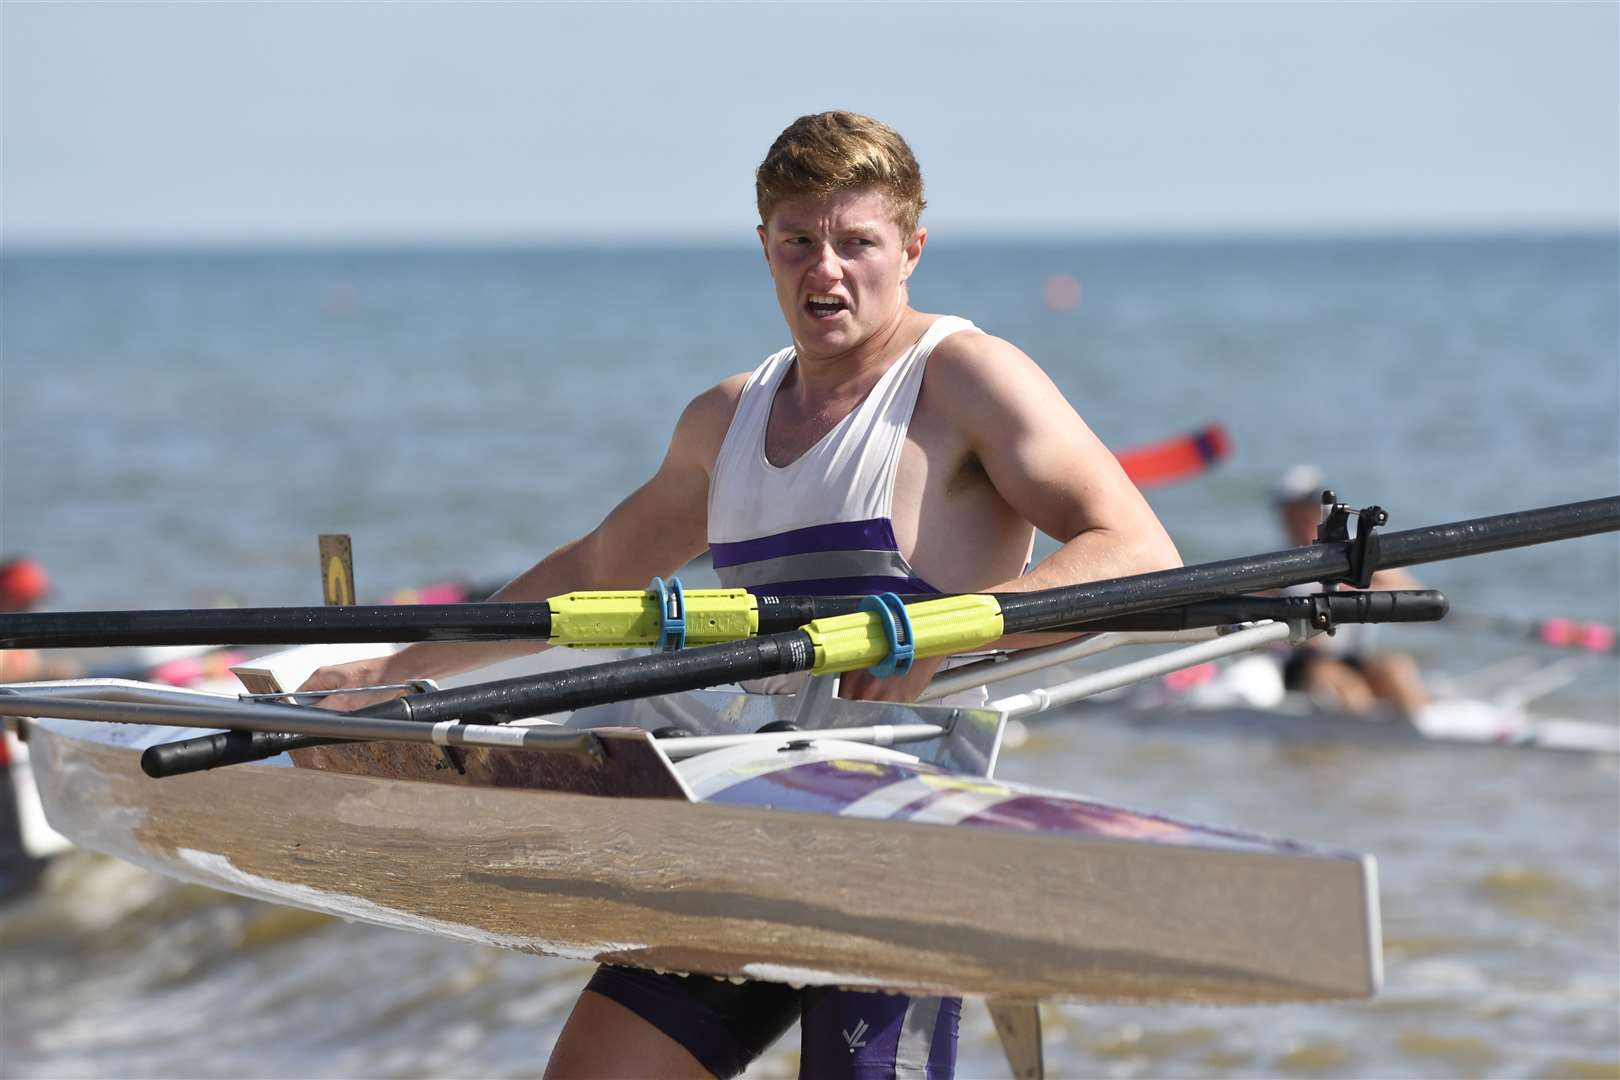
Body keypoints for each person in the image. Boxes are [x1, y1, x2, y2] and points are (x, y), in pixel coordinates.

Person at [300, 111, 1181, 1080]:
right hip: (749, 816)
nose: (826, 270)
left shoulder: (965, 380)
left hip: (901, 841)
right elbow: (597, 571)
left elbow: (1140, 551)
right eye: (799, 242)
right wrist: (401, 671)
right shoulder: (726, 420)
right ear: (764, 246)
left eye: (857, 243)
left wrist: (950, 631)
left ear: (913, 249)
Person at [1273, 464, 1429, 716]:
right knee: (1346, 687)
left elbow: (1416, 598)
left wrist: (1371, 584)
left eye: (1307, 511)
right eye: (1291, 514)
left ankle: (1426, 739)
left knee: (1398, 671)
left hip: (1355, 656)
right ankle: (1363, 746)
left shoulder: (1356, 554)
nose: (1299, 520)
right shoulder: (1278, 565)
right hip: (1305, 663)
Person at [0, 557, 79, 682]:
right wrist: (48, 674)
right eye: (31, 603)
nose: (39, 608)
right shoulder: (6, 637)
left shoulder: (22, 635)